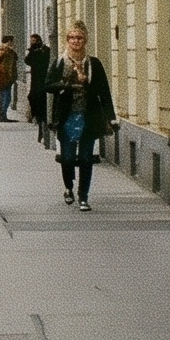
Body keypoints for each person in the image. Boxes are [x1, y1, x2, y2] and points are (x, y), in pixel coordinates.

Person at [48, 21, 117, 210]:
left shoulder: (94, 64)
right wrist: (67, 85)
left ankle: (83, 196)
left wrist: (110, 116)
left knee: (86, 158)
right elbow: (48, 85)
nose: (75, 41)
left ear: (85, 40)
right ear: (67, 40)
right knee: (67, 158)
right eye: (72, 38)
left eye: (79, 38)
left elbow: (104, 91)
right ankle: (69, 187)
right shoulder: (60, 62)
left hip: (89, 117)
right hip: (67, 117)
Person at [26, 32, 55, 149]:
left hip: (43, 81)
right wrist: (32, 51)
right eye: (31, 41)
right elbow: (27, 61)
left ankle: (42, 129)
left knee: (41, 103)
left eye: (34, 41)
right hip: (36, 81)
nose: (32, 43)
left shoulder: (45, 50)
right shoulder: (34, 51)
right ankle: (38, 121)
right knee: (32, 98)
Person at [0, 35, 20, 123]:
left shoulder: (1, 50)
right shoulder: (7, 52)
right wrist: (10, 76)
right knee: (6, 97)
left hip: (2, 75)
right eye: (12, 41)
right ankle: (3, 116)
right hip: (5, 76)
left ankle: (2, 116)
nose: (13, 43)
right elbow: (8, 66)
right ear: (9, 41)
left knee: (3, 96)